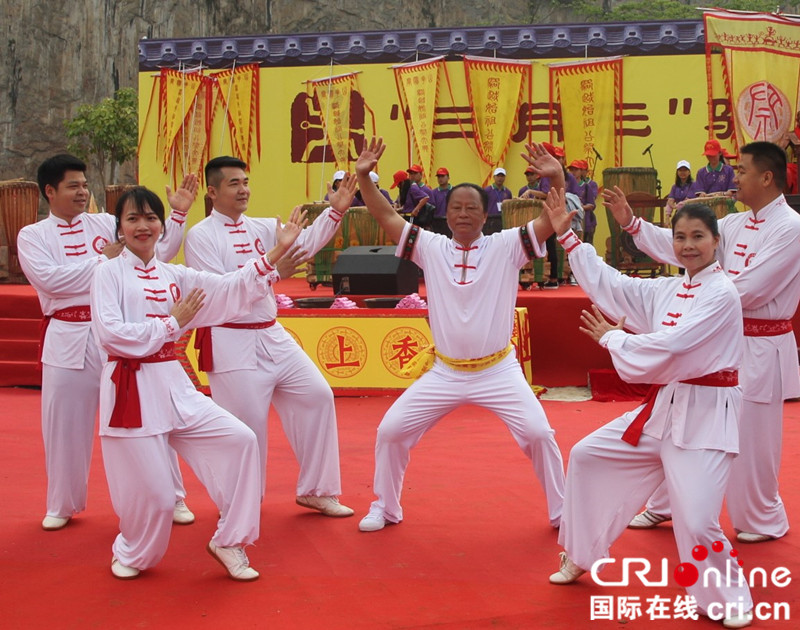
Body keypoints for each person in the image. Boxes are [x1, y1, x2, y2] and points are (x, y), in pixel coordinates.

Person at [543, 190, 753, 629]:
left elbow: (673, 346)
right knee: (587, 455)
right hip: (663, 410)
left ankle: (728, 597)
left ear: (716, 242)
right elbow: (613, 285)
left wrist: (613, 339)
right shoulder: (669, 288)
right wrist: (568, 238)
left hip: (706, 416)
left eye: (698, 236)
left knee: (696, 519)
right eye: (680, 237)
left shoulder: (722, 294)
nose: (689, 245)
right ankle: (581, 553)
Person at [353, 137, 566, 533]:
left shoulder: (508, 246)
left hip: (498, 371)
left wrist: (556, 179)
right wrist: (364, 178)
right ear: (445, 214)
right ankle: (385, 506)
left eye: (472, 208)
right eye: (456, 208)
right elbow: (385, 216)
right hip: (445, 371)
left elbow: (551, 219)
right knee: (390, 430)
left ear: (486, 215)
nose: (463, 214)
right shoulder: (429, 246)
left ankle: (562, 511)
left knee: (540, 433)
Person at [91, 186, 306, 580]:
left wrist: (275, 254)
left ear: (161, 226)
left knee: (241, 441)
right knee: (156, 498)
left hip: (174, 384)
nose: (143, 226)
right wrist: (171, 323)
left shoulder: (176, 274)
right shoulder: (106, 273)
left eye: (151, 218)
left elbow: (228, 287)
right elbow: (112, 334)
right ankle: (132, 551)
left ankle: (229, 538)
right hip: (131, 390)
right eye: (133, 219)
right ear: (119, 228)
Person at [611, 142, 800, 544]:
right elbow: (689, 246)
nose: (735, 176)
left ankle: (761, 518)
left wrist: (704, 299)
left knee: (753, 439)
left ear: (767, 177)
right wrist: (633, 225)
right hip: (713, 338)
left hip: (759, 345)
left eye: (743, 170)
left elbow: (752, 288)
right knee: (684, 419)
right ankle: (666, 504)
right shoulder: (731, 224)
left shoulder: (791, 227)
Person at [17, 153, 196, 531]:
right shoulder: (32, 236)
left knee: (149, 413)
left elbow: (155, 252)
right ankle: (62, 503)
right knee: (64, 423)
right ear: (50, 191)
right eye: (73, 186)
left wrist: (176, 217)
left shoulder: (105, 223)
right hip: (67, 336)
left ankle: (173, 496)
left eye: (85, 185)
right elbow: (51, 282)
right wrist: (104, 262)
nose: (83, 192)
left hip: (121, 336)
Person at [183, 156, 355, 517]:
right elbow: (223, 290)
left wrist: (334, 213)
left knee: (317, 396)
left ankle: (317, 489)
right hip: (230, 339)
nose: (244, 189)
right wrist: (274, 272)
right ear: (212, 192)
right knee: (248, 426)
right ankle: (241, 505)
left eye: (245, 181)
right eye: (234, 183)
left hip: (272, 333)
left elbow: (302, 246)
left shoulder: (262, 226)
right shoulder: (200, 237)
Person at [483, 167, 512, 235]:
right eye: (498, 176)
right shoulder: (487, 190)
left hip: (503, 220)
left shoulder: (508, 192)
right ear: (494, 177)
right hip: (490, 221)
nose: (500, 178)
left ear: (505, 177)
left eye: (502, 176)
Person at [430, 167, 452, 237]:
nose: (440, 179)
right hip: (437, 221)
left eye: (442, 176)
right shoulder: (433, 193)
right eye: (438, 177)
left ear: (448, 177)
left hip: (451, 220)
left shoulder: (455, 191)